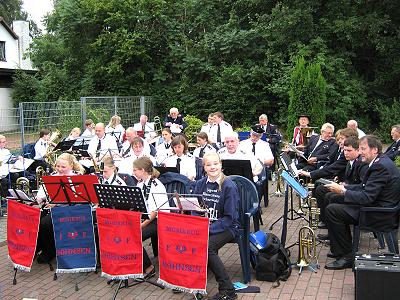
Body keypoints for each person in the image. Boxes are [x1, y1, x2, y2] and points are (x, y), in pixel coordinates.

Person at [323, 135, 400, 270]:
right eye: (359, 149)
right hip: (376, 205)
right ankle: (338, 249)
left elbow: (366, 197)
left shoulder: (380, 166)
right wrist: (344, 188)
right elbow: (365, 187)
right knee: (333, 199)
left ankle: (347, 256)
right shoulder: (380, 162)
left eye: (363, 149)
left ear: (374, 150)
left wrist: (343, 191)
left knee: (332, 210)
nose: (360, 152)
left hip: (379, 214)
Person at [193, 153, 239, 300]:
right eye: (208, 164)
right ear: (204, 167)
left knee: (207, 247)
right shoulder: (200, 184)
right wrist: (197, 223)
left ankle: (228, 289)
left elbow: (229, 217)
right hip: (205, 225)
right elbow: (195, 207)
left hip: (228, 227)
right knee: (187, 239)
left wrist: (208, 229)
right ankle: (192, 284)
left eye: (215, 164)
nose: (212, 167)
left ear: (221, 164)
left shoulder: (228, 186)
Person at [36, 153, 85, 263]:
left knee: (45, 224)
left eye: (63, 167)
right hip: (55, 208)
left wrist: (56, 202)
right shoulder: (53, 176)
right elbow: (42, 192)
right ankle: (43, 248)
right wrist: (38, 200)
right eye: (58, 166)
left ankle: (52, 250)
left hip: (72, 210)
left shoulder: (77, 177)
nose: (60, 169)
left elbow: (78, 198)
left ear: (71, 166)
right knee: (37, 221)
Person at [133, 157, 169, 276]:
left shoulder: (156, 185)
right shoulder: (141, 184)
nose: (133, 173)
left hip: (159, 219)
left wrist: (141, 225)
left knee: (134, 236)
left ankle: (148, 268)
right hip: (148, 217)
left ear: (142, 170)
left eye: (135, 170)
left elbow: (155, 212)